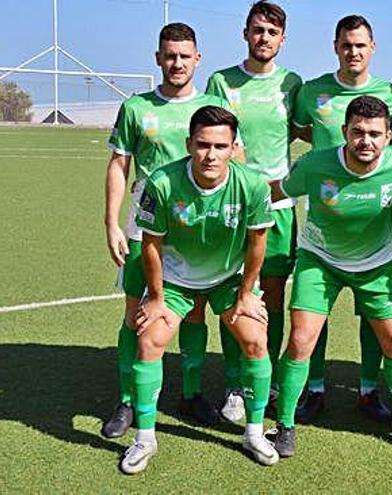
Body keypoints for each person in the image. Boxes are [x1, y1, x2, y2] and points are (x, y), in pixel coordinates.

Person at [120, 106, 279, 474]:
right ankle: (144, 438)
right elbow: (151, 244)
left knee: (255, 339)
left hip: (226, 280)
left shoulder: (252, 185)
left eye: (221, 146)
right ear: (189, 143)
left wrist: (246, 293)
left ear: (233, 147)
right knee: (149, 340)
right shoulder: (161, 183)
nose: (211, 154)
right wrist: (157, 298)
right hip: (175, 281)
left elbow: (258, 243)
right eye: (203, 144)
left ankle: (253, 433)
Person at [270, 96, 392, 457]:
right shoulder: (315, 164)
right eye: (357, 132)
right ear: (344, 132)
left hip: (374, 263)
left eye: (375, 133)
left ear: (389, 136)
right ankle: (284, 426)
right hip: (320, 259)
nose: (366, 140)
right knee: (300, 339)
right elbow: (278, 190)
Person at [101, 22, 226, 438]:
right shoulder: (137, 107)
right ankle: (128, 400)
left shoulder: (211, 105)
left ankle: (191, 394)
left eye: (184, 56)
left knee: (193, 311)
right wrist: (112, 222)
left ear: (197, 59)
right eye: (169, 55)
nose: (177, 63)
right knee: (135, 311)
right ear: (158, 58)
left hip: (197, 229)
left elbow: (233, 160)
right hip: (145, 226)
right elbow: (119, 166)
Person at [291, 14, 392, 423]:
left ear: (372, 47)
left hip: (370, 214)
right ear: (335, 46)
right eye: (346, 44)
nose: (353, 52)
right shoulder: (312, 91)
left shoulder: (390, 92)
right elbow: (300, 133)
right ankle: (314, 388)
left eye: (360, 45)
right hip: (325, 213)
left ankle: (369, 389)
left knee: (374, 315)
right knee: (310, 313)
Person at [205, 0, 302, 422]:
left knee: (273, 296)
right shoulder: (221, 81)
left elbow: (302, 128)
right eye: (258, 30)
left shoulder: (292, 83)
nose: (264, 38)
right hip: (235, 206)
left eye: (272, 32)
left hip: (279, 206)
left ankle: (270, 377)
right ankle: (234, 384)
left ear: (283, 39)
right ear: (245, 33)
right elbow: (215, 135)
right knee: (236, 293)